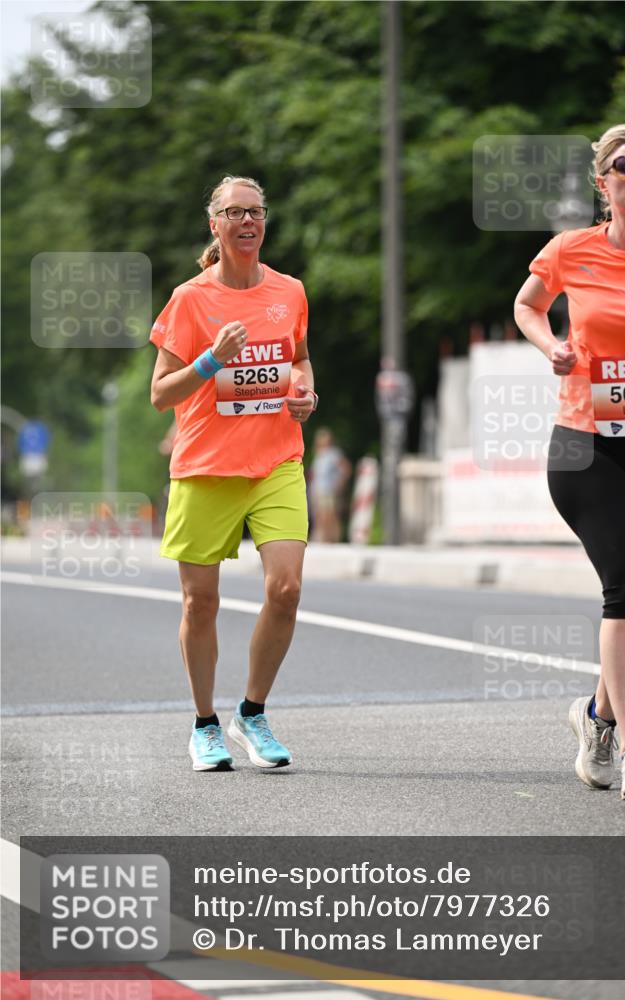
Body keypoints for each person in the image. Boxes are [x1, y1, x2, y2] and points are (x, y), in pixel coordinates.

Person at [514, 123, 625, 801]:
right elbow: (526, 306)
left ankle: (597, 718)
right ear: (603, 184)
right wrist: (548, 345)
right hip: (584, 444)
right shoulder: (569, 250)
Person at [150, 175, 317, 772]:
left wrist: (305, 391)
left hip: (276, 461)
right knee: (201, 603)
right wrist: (211, 359)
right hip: (205, 467)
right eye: (234, 212)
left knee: (287, 588)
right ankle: (204, 725)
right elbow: (161, 394)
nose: (248, 221)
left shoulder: (289, 291)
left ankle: (253, 711)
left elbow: (297, 358)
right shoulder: (190, 299)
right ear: (214, 226)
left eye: (256, 212)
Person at [309, 428, 351, 543]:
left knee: (330, 515)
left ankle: (332, 540)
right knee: (320, 515)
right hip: (317, 489)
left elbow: (345, 468)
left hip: (328, 489)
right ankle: (322, 539)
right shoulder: (318, 454)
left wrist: (340, 484)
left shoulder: (333, 453)